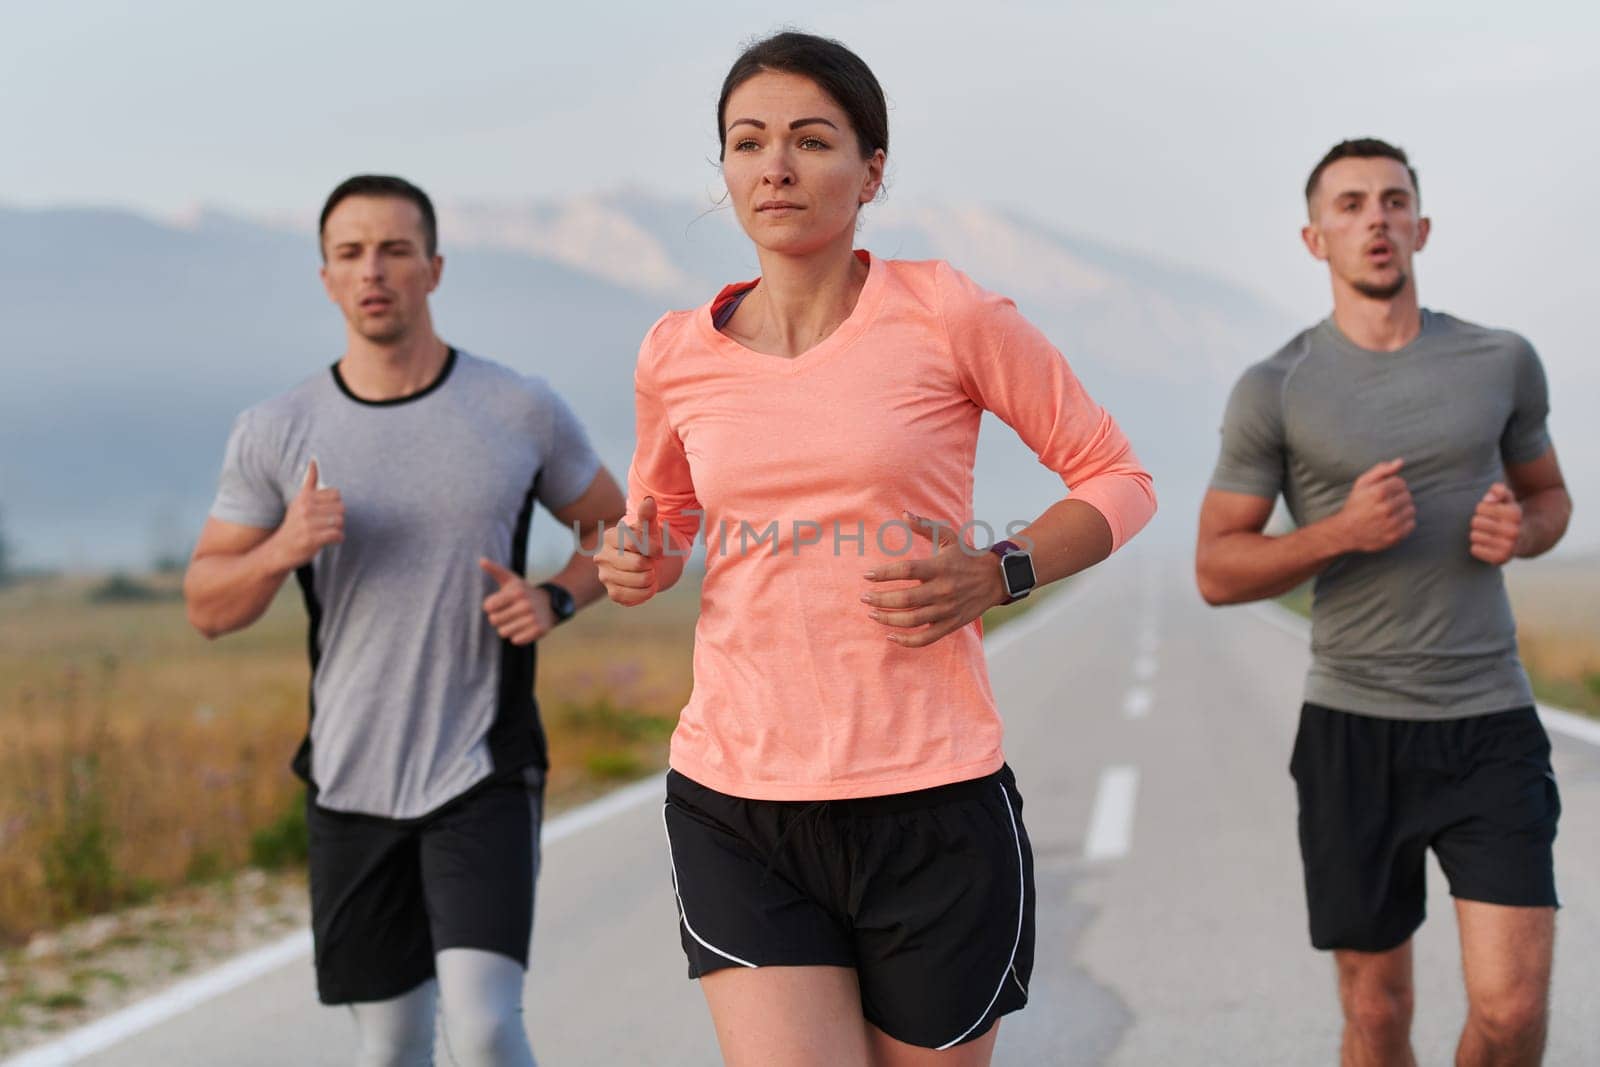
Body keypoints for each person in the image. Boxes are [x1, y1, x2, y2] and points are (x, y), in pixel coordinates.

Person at [595, 32, 1155, 1067]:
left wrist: (1000, 570)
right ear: (721, 168)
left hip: (930, 797)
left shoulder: (946, 311)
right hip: (737, 797)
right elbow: (664, 521)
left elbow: (1119, 478)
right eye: (747, 141)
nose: (775, 166)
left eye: (811, 140)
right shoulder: (676, 351)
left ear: (871, 169)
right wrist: (637, 558)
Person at [183, 174, 624, 1067]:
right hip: (350, 777)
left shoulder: (517, 407)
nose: (372, 270)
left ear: (433, 268)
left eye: (393, 249)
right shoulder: (277, 429)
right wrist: (281, 548)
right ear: (327, 278)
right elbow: (206, 604)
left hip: (482, 763)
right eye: (350, 253)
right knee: (388, 1046)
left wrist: (557, 596)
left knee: (487, 1023)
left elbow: (617, 529)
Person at [1196, 139, 1571, 1066]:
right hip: (1354, 731)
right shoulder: (1276, 387)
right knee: (1376, 1013)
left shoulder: (1500, 359)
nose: (1376, 219)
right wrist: (1338, 533)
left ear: (1422, 226)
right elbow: (1216, 568)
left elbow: (1551, 497)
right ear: (1314, 237)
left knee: (1514, 1009)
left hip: (1490, 719)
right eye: (1353, 204)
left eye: (1394, 201)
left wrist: (1519, 534)